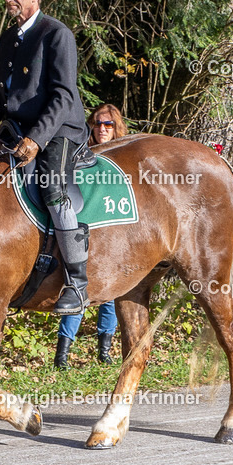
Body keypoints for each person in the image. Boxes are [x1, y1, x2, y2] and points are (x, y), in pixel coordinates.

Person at [0, 0, 90, 315]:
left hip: (59, 131)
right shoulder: (9, 39)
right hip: (18, 131)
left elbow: (63, 96)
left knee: (53, 185)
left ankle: (77, 281)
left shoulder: (57, 35)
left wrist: (37, 140)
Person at [54, 103, 128, 368]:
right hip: (83, 226)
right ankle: (62, 355)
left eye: (108, 124)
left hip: (112, 230)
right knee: (79, 290)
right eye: (97, 123)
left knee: (109, 295)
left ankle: (104, 352)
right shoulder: (78, 153)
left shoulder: (122, 156)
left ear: (116, 127)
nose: (102, 129)